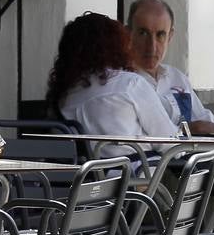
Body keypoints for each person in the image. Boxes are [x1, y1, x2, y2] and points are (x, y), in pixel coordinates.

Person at [47, 12, 177, 157]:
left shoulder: (63, 97)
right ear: (117, 46)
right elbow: (170, 143)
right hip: (137, 175)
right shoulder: (130, 84)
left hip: (86, 177)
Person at [127, 0, 214, 135]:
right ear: (128, 33)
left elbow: (205, 119)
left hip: (204, 154)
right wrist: (193, 129)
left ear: (170, 36)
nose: (151, 47)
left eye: (160, 35)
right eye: (143, 33)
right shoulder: (124, 84)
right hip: (167, 156)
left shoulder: (176, 77)